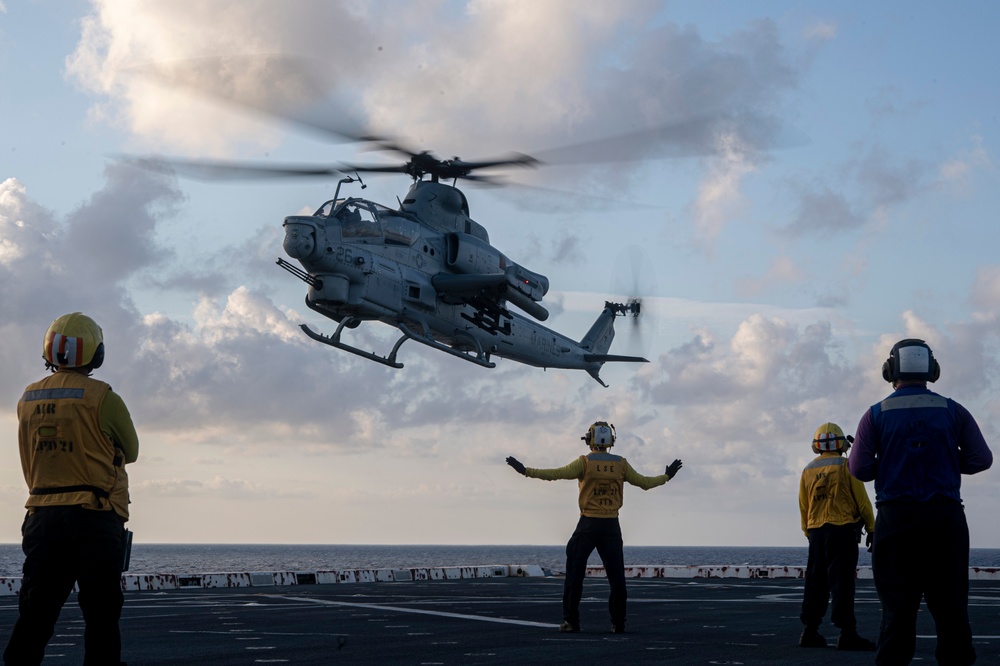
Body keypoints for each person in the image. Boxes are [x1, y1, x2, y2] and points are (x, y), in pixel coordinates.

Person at [4, 313, 139, 666]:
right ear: (97, 354)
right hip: (94, 515)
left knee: (36, 611)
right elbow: (133, 451)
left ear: (49, 351)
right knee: (101, 612)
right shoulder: (103, 397)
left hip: (42, 516)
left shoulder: (26, 399)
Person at [848, 339, 992, 665]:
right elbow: (981, 459)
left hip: (896, 520)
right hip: (945, 519)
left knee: (897, 611)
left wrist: (890, 462)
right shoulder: (953, 410)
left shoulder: (876, 414)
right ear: (932, 370)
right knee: (952, 610)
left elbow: (858, 469)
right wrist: (947, 461)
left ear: (890, 371)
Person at [506, 421, 682, 634]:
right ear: (611, 441)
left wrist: (525, 470)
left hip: (588, 524)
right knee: (617, 578)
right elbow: (645, 482)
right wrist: (667, 476)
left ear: (590, 439)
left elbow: (555, 473)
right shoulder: (621, 464)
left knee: (574, 575)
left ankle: (571, 621)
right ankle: (618, 623)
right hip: (611, 526)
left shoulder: (585, 463)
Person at [798, 422, 876, 651]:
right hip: (842, 531)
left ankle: (809, 631)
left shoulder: (808, 470)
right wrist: (872, 528)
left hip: (816, 532)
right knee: (842, 583)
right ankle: (847, 633)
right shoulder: (847, 465)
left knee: (815, 582)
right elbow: (861, 499)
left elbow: (804, 506)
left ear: (816, 445)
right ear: (841, 443)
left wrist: (808, 532)